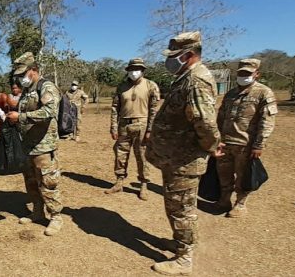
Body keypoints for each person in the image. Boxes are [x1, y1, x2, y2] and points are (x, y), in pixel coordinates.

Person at [145, 32, 221, 275]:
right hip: (176, 157)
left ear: (188, 55)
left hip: (185, 159)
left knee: (182, 209)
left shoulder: (197, 80)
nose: (169, 61)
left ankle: (184, 257)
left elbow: (205, 122)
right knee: (176, 206)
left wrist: (211, 146)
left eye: (174, 56)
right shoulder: (185, 77)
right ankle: (180, 243)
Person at [5, 52, 63, 236]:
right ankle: (37, 211)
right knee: (30, 181)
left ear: (34, 70)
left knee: (48, 181)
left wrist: (21, 117)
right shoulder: (27, 91)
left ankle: (55, 217)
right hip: (27, 145)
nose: (21, 78)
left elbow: (49, 111)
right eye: (19, 75)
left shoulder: (46, 87)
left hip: (44, 146)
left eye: (23, 74)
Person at [216, 58, 277, 217]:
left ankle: (240, 204)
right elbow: (220, 117)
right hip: (225, 142)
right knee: (224, 174)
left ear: (257, 74)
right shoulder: (231, 93)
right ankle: (224, 200)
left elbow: (267, 120)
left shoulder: (264, 92)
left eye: (247, 73)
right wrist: (217, 138)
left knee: (243, 177)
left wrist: (259, 145)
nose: (243, 75)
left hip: (245, 145)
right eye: (241, 73)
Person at [106, 58, 161, 201]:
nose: (134, 72)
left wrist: (150, 129)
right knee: (120, 154)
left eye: (137, 69)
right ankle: (119, 181)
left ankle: (143, 184)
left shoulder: (151, 85)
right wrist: (113, 127)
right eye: (131, 69)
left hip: (142, 124)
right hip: (123, 125)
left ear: (142, 71)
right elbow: (114, 108)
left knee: (142, 155)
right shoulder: (121, 87)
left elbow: (154, 110)